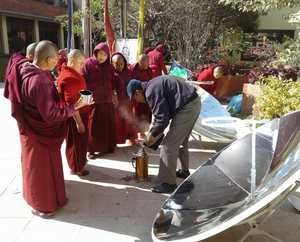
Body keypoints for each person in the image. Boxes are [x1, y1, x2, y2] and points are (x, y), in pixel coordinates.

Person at [5, 40, 93, 219]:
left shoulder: (28, 69)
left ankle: (53, 199)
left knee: (45, 168)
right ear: (47, 59)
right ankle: (40, 204)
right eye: (55, 59)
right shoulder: (39, 81)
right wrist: (76, 106)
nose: (57, 62)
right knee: (40, 171)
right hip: (38, 133)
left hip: (32, 129)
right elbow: (51, 115)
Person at [127, 76, 201, 193]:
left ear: (138, 91)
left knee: (168, 145)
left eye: (136, 98)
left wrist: (152, 135)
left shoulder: (151, 91)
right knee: (181, 140)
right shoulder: (153, 85)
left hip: (186, 107)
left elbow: (163, 120)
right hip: (193, 103)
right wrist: (157, 121)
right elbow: (164, 110)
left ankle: (169, 183)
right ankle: (183, 170)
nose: (138, 101)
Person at [57, 49, 91, 176]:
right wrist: (79, 122)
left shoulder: (70, 72)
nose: (82, 66)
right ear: (72, 60)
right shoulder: (69, 77)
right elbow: (71, 103)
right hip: (75, 116)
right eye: (80, 63)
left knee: (81, 141)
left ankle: (80, 162)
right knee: (75, 142)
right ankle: (76, 167)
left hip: (81, 111)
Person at [81, 42, 117, 159]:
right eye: (100, 54)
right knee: (93, 126)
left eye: (105, 55)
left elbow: (112, 82)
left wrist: (115, 95)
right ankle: (91, 149)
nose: (102, 57)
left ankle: (109, 145)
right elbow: (83, 79)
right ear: (95, 53)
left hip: (107, 100)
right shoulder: (88, 63)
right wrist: (86, 94)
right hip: (94, 100)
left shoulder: (110, 67)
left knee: (108, 125)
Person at [111, 52, 138, 145]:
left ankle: (132, 139)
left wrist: (135, 98)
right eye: (116, 65)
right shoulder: (112, 74)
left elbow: (134, 84)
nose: (119, 66)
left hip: (129, 101)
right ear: (112, 64)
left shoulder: (129, 72)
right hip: (118, 103)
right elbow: (111, 87)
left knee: (130, 121)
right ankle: (115, 142)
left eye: (121, 64)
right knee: (118, 123)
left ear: (125, 62)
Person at [130, 54, 153, 139]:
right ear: (141, 62)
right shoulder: (133, 70)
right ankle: (134, 135)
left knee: (145, 114)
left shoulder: (148, 70)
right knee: (136, 115)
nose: (148, 64)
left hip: (146, 96)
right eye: (147, 62)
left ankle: (142, 132)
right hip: (137, 96)